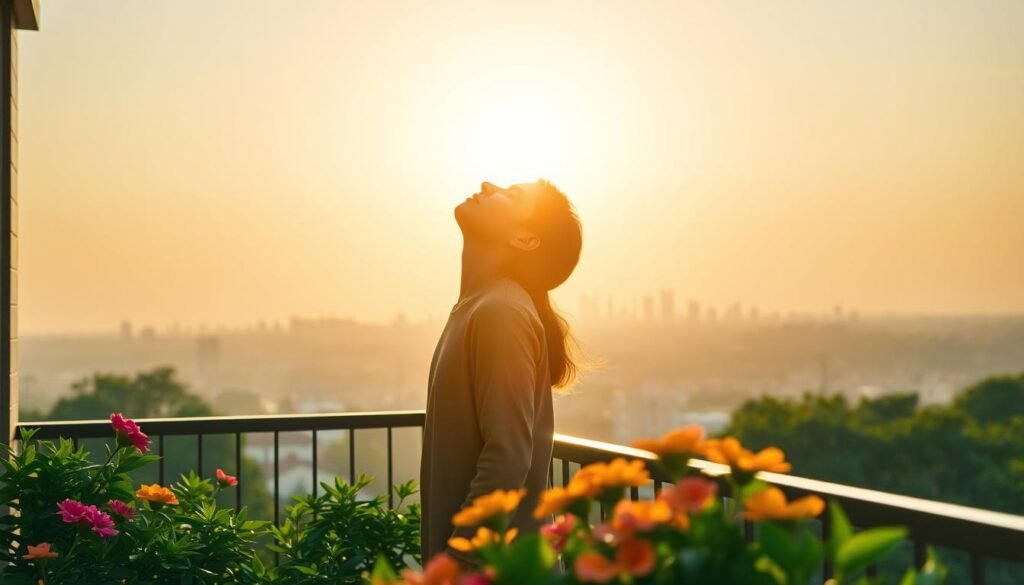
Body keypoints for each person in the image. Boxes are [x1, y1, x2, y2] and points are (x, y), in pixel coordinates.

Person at [419, 179, 583, 565]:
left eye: (512, 195)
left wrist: (456, 563)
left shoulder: (501, 313)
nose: (487, 185)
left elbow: (508, 457)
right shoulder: (483, 307)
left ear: (526, 239)